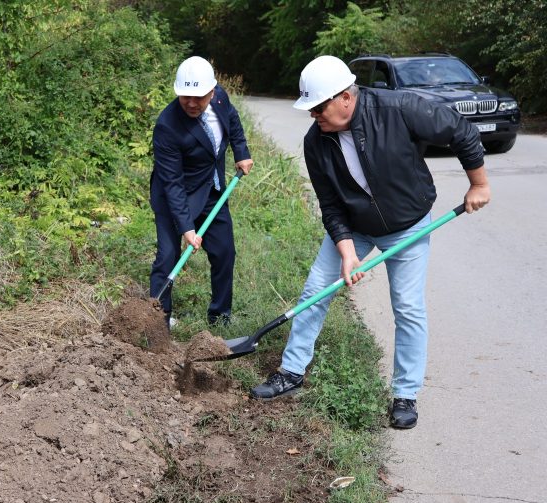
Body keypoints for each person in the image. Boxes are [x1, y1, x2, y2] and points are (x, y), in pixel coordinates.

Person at [249, 55, 490, 429]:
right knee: (316, 287)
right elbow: (330, 204)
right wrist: (346, 250)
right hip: (355, 228)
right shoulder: (316, 143)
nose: (313, 115)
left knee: (408, 307)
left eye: (318, 107)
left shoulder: (399, 108)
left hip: (409, 224)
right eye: (309, 109)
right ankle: (291, 372)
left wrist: (479, 184)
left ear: (346, 97)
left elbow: (460, 131)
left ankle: (404, 395)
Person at [150, 56, 254, 327]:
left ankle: (219, 317)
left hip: (212, 191)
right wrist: (186, 228)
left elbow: (232, 120)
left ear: (212, 90)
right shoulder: (167, 126)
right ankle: (157, 322)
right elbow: (172, 183)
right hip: (176, 196)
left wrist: (241, 152)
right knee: (168, 258)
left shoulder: (220, 98)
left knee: (224, 253)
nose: (192, 103)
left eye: (199, 97)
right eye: (185, 97)